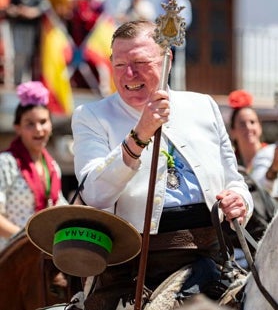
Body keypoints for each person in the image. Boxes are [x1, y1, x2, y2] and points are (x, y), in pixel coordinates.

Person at [71, 20, 253, 310]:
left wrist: (239, 201)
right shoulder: (92, 116)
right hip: (138, 264)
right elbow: (94, 193)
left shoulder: (203, 106)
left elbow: (235, 181)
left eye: (141, 62)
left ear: (167, 59)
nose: (129, 74)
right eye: (119, 65)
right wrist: (140, 135)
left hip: (213, 254)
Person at [0, 81, 68, 252]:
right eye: (30, 123)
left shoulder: (52, 166)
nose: (38, 129)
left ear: (51, 125)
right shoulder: (6, 163)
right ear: (18, 128)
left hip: (40, 258)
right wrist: (25, 241)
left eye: (43, 121)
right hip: (10, 258)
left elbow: (60, 209)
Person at [228, 89, 278, 198]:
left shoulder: (272, 153)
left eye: (252, 122)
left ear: (259, 127)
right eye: (242, 124)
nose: (248, 127)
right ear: (233, 132)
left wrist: (273, 170)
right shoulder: (229, 162)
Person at [6, 0, 48, 85]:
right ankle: (17, 82)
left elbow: (45, 6)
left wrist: (34, 11)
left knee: (30, 55)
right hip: (17, 25)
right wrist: (16, 10)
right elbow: (8, 5)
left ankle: (29, 83)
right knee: (18, 54)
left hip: (34, 28)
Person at [158, 0, 192, 91]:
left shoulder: (183, 2)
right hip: (163, 43)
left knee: (178, 69)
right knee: (164, 68)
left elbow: (186, 21)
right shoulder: (160, 2)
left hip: (177, 43)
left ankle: (178, 90)